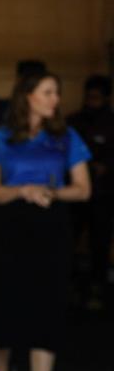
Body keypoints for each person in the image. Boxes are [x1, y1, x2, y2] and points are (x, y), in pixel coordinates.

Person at [0, 71, 92, 371]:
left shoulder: (66, 137)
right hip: (12, 229)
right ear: (27, 96)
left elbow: (84, 189)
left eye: (56, 92)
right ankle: (2, 369)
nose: (55, 99)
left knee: (49, 305)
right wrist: (23, 190)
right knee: (6, 301)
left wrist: (51, 192)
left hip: (52, 229)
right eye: (48, 92)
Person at [68, 74, 114, 309]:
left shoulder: (110, 122)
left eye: (97, 95)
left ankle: (98, 288)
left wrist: (104, 165)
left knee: (100, 242)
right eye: (90, 95)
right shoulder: (74, 122)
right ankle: (72, 288)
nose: (92, 99)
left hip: (103, 194)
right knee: (70, 241)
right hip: (73, 195)